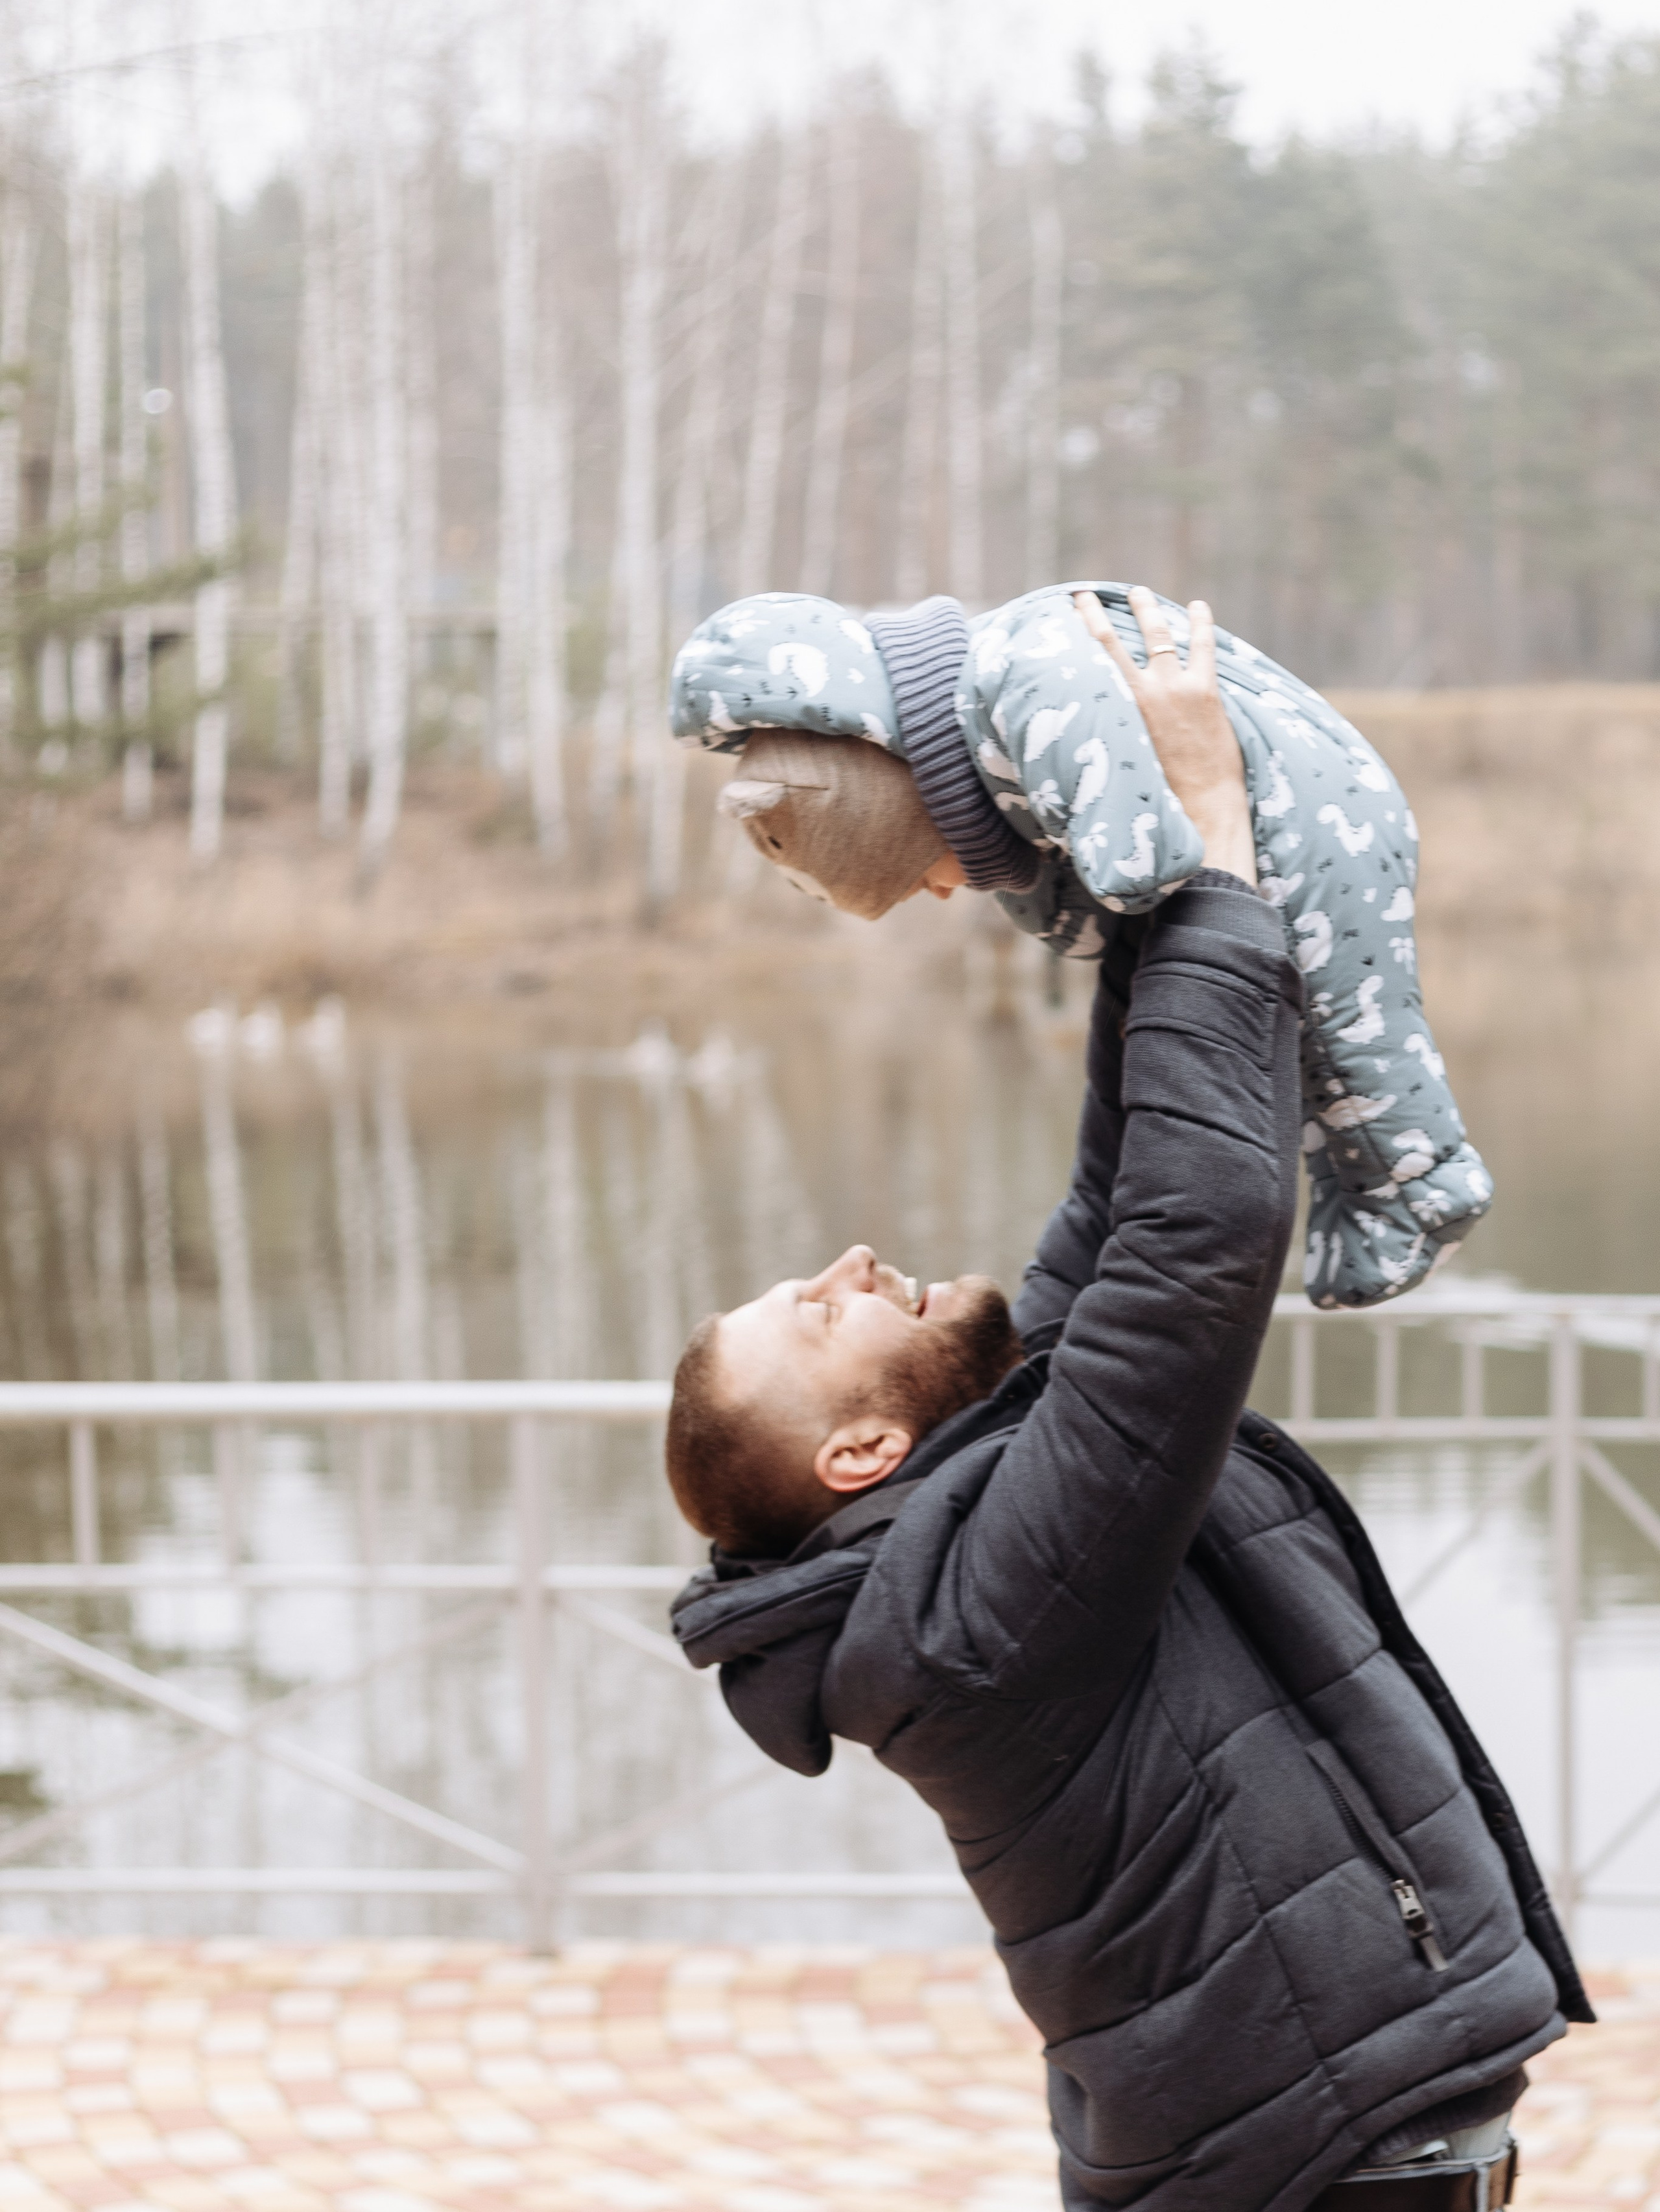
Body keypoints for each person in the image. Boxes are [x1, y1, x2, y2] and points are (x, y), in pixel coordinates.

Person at [667, 597, 1588, 2212]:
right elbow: (1195, 1236)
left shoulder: (975, 1519)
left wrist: (1150, 879)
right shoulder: (980, 1607)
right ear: (858, 1448)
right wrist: (1215, 861)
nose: (850, 1260)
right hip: (1316, 2153)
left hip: (1296, 2132)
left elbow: (1119, 1207)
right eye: (813, 1312)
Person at [670, 580, 1492, 1313]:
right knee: (1292, 1048)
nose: (940, 894)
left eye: (920, 873)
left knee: (1349, 1037)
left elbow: (1139, 867)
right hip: (1255, 815)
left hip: (1313, 821)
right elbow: (1098, 910)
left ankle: (1423, 1194)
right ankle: (1361, 1197)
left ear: (930, 815)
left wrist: (1137, 862)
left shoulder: (1019, 667)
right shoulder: (998, 729)